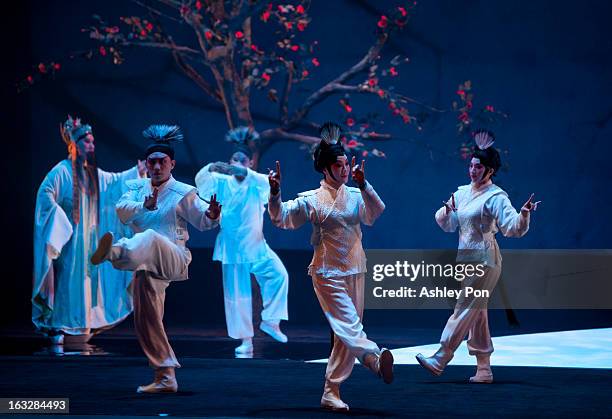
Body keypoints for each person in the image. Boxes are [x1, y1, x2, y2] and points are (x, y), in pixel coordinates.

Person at [267, 122, 394, 411]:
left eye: (346, 164)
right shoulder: (312, 199)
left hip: (356, 269)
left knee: (344, 333)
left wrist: (363, 183)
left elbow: (375, 213)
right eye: (339, 165)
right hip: (327, 272)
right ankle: (374, 359)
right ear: (325, 169)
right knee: (348, 324)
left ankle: (331, 391)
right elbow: (281, 218)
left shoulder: (355, 195)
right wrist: (275, 193)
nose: (345, 170)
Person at [90, 125, 221, 393]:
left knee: (150, 237)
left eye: (163, 161)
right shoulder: (137, 188)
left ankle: (114, 252)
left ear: (172, 164)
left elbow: (202, 221)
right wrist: (144, 205)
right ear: (147, 165)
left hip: (173, 255)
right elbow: (121, 210)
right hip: (144, 262)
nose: (158, 166)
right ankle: (165, 375)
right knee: (145, 317)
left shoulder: (183, 192)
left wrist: (212, 215)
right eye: (153, 162)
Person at [416, 129, 540, 383]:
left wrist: (524, 213)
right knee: (477, 313)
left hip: (485, 260)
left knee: (465, 307)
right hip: (467, 259)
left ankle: (441, 356)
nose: (473, 171)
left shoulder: (496, 196)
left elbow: (511, 228)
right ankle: (484, 369)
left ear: (489, 171)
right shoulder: (462, 192)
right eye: (471, 165)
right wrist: (446, 210)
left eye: (478, 167)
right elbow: (449, 224)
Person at [33, 115, 145, 344]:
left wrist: (137, 171)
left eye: (93, 141)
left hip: (90, 239)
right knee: (70, 280)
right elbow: (45, 194)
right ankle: (59, 324)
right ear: (74, 144)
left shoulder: (92, 173)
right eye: (87, 141)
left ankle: (84, 322)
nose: (91, 145)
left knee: (88, 279)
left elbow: (115, 183)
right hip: (70, 240)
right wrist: (58, 222)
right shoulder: (62, 171)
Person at [195, 127, 289, 355]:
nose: (238, 164)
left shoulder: (255, 182)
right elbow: (201, 180)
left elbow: (270, 187)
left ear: (250, 162)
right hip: (232, 246)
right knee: (238, 296)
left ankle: (271, 321)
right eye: (234, 160)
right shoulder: (221, 181)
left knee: (279, 275)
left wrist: (246, 172)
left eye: (243, 160)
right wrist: (212, 167)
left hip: (256, 244)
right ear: (229, 161)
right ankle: (246, 341)